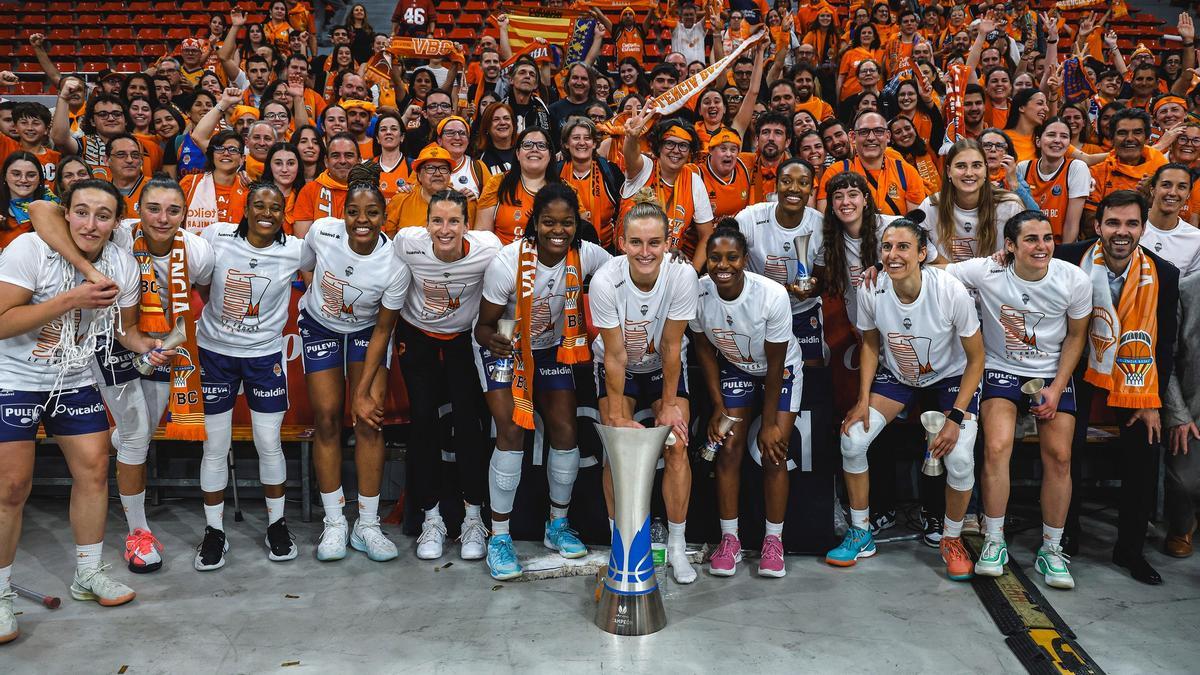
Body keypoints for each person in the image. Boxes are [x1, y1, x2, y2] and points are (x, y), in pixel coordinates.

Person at [2, 182, 173, 642]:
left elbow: (125, 330)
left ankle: (88, 573)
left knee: (96, 471)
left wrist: (148, 347)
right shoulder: (28, 249)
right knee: (13, 486)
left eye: (103, 215)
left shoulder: (121, 262)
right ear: (67, 213)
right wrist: (68, 300)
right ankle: (0, 596)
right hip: (15, 379)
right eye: (81, 212)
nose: (90, 223)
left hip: (75, 376)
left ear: (117, 223)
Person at [29, 176, 215, 575]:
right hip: (109, 339)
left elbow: (201, 296)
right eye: (153, 208)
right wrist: (86, 269)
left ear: (185, 214)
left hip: (161, 345)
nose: (162, 219)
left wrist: (167, 341)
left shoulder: (198, 250)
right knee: (135, 436)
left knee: (140, 434)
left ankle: (106, 445)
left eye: (173, 210)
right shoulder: (120, 233)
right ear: (136, 212)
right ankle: (139, 532)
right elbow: (40, 209)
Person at [826, 219, 985, 582]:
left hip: (949, 378)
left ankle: (952, 539)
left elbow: (977, 359)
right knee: (852, 439)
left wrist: (956, 417)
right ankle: (860, 531)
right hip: (898, 375)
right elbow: (869, 344)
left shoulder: (948, 289)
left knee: (960, 458)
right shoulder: (871, 287)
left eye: (902, 247)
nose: (892, 255)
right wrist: (862, 398)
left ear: (922, 254)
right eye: (886, 247)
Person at [945, 210, 1091, 589]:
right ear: (1009, 246)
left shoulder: (1073, 279)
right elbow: (937, 269)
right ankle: (994, 541)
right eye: (1030, 239)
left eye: (1046, 237)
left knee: (1059, 456)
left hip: (1051, 371)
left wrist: (1057, 388)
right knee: (996, 447)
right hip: (1001, 367)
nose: (1041, 246)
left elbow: (1077, 337)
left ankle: (1052, 549)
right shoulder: (986, 271)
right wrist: (882, 266)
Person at [474, 183, 611, 580]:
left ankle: (557, 524)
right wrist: (494, 341)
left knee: (566, 429)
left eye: (567, 222)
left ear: (577, 224)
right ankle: (499, 536)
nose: (558, 230)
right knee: (513, 429)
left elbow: (624, 271)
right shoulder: (507, 261)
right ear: (534, 222)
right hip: (504, 346)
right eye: (549, 221)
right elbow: (483, 326)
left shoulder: (587, 255)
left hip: (551, 347)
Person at [1056, 190, 1179, 584]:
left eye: (1130, 224)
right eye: (1113, 223)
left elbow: (1165, 343)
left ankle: (1130, 550)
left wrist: (1152, 401)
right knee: (1065, 448)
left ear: (1143, 227)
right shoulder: (1067, 258)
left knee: (1144, 448)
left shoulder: (1164, 272)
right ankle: (1066, 536)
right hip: (1075, 366)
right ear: (1098, 226)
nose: (1121, 232)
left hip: (1136, 373)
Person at [370, 189, 499, 564]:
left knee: (469, 423)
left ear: (467, 224)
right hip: (417, 334)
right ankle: (432, 518)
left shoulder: (487, 248)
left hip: (463, 337)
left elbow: (517, 274)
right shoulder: (407, 243)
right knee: (423, 421)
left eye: (454, 221)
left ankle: (474, 518)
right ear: (425, 224)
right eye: (438, 221)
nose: (445, 229)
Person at [294, 164, 412, 564]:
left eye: (372, 213)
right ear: (342, 212)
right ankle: (334, 522)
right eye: (354, 212)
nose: (362, 221)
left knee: (368, 420)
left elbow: (383, 329)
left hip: (367, 332)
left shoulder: (395, 264)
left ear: (384, 216)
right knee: (327, 419)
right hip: (320, 325)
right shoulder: (322, 231)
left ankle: (368, 524)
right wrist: (316, 294)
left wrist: (362, 393)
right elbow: (305, 264)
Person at [192, 182, 307, 570]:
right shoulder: (217, 236)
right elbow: (201, 281)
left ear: (284, 212)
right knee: (215, 445)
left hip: (263, 356)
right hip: (215, 353)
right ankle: (214, 531)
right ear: (246, 206)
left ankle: (277, 524)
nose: (267, 212)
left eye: (276, 207)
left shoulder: (294, 249)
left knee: (268, 441)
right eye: (259, 204)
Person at [591, 193, 701, 584]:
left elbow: (672, 346)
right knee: (615, 450)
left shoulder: (682, 275)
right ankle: (619, 541)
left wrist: (669, 406)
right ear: (621, 243)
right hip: (617, 363)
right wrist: (619, 417)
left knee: (677, 444)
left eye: (654, 242)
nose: (645, 251)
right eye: (636, 242)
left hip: (661, 366)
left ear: (668, 243)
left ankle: (675, 546)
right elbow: (616, 356)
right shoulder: (606, 279)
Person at [692, 225, 804, 578]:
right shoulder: (698, 293)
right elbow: (704, 351)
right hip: (736, 366)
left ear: (744, 260)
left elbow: (774, 365)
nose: (722, 265)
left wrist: (769, 423)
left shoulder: (769, 295)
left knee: (774, 452)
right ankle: (730, 541)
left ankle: (774, 542)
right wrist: (718, 406)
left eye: (732, 257)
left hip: (779, 369)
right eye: (715, 258)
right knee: (727, 450)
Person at [734, 158, 825, 365]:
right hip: (758, 310)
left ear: (811, 189)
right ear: (776, 185)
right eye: (786, 181)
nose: (794, 188)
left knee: (812, 373)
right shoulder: (750, 219)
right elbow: (726, 262)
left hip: (802, 311)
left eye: (803, 183)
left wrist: (810, 288)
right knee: (763, 369)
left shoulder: (820, 225)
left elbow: (821, 282)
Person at [620, 111, 715, 270]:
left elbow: (707, 235)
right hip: (628, 264)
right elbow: (631, 156)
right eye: (670, 143)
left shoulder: (694, 182)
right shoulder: (643, 168)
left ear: (690, 152)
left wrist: (694, 273)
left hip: (667, 269)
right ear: (659, 146)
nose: (676, 150)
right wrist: (632, 137)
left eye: (683, 145)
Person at [920, 138, 1025, 262]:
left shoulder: (1010, 205)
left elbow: (1026, 247)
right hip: (947, 278)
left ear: (986, 170)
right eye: (961, 166)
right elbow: (913, 239)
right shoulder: (931, 205)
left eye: (976, 165)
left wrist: (1010, 253)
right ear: (949, 171)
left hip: (995, 278)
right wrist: (938, 259)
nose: (969, 173)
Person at [816, 112, 926, 216]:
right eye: (864, 132)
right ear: (853, 137)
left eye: (878, 131)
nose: (871, 138)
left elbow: (914, 226)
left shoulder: (907, 172)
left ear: (888, 136)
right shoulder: (835, 172)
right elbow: (825, 221)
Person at [1164, 270, 1200, 558]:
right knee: (1184, 483)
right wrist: (1178, 414)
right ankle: (1182, 525)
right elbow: (1167, 360)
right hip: (1193, 410)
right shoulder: (1187, 288)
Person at [475, 128, 556, 246]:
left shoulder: (565, 190)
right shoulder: (497, 184)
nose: (534, 149)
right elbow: (482, 239)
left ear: (549, 155)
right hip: (504, 261)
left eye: (541, 145)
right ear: (517, 154)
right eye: (527, 145)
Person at [1016, 117, 1090, 244]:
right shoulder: (1023, 168)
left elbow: (1071, 224)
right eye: (1051, 135)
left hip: (1061, 246)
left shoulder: (1077, 168)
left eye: (1064, 136)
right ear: (1038, 141)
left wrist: (1062, 257)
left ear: (1069, 144)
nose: (1057, 140)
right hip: (1028, 245)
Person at [557, 117, 622, 250]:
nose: (582, 143)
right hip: (563, 250)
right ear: (566, 144)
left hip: (605, 250)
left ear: (594, 143)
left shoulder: (610, 171)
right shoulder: (555, 172)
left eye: (587, 138)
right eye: (576, 138)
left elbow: (623, 211)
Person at [179, 130, 249, 233]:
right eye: (220, 149)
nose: (226, 153)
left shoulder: (248, 189)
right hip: (193, 248)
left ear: (242, 159)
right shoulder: (190, 183)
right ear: (212, 155)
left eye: (233, 150)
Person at [293, 133, 360, 235]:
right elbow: (302, 239)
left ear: (359, 161)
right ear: (326, 161)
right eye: (335, 156)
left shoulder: (370, 193)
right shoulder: (309, 190)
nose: (342, 161)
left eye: (349, 155)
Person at [1141, 164, 1200, 277]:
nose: (1173, 192)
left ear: (1188, 194)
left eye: (1181, 187)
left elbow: (1188, 290)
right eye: (1166, 185)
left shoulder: (1196, 239)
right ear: (1153, 189)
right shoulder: (1130, 226)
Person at [0, 152, 55, 249]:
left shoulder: (53, 205)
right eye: (16, 174)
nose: (23, 180)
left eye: (31, 175)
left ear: (39, 178)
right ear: (4, 176)